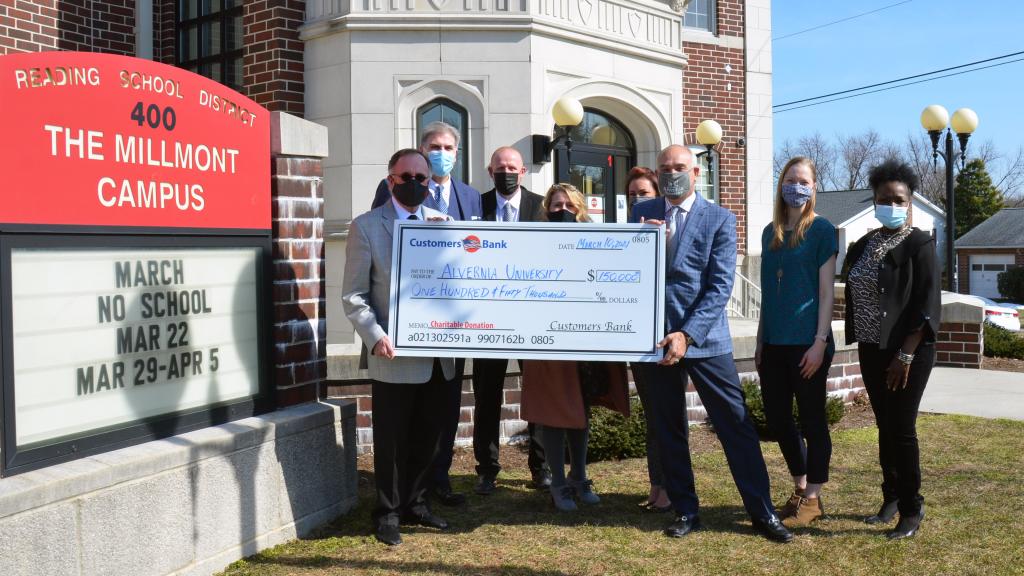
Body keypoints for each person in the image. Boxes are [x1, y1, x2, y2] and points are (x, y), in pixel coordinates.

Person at [629, 144, 793, 543]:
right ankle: (686, 509)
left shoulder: (719, 218)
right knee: (669, 429)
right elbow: (629, 274)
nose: (672, 174)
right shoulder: (641, 214)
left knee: (735, 426)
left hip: (705, 340)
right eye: (665, 168)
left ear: (697, 172)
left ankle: (762, 511)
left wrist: (687, 334)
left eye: (680, 167)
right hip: (656, 340)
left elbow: (720, 286)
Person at [341, 149, 455, 546]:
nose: (414, 183)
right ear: (390, 180)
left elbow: (461, 289)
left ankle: (417, 504)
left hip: (439, 355)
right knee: (392, 439)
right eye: (405, 176)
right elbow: (354, 296)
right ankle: (388, 511)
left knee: (430, 436)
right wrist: (375, 336)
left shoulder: (445, 226)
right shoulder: (367, 227)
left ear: (430, 183)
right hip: (392, 352)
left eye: (422, 178)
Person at [369, 122, 482, 507]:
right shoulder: (377, 214)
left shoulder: (456, 208)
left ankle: (428, 491)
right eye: (434, 146)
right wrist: (376, 333)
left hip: (445, 344)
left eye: (449, 146)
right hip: (397, 345)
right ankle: (391, 507)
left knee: (435, 426)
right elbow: (365, 280)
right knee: (396, 431)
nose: (441, 153)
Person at [842, 158, 940, 540]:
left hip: (908, 352)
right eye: (885, 198)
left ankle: (912, 508)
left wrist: (906, 354)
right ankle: (891, 498)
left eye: (899, 199)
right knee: (884, 426)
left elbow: (927, 303)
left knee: (901, 428)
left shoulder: (921, 244)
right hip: (871, 346)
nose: (892, 205)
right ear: (875, 200)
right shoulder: (865, 244)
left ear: (910, 201)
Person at [520, 184, 631, 511]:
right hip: (548, 341)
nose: (562, 209)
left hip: (585, 342)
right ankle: (558, 483)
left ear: (580, 207)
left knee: (580, 410)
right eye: (556, 204)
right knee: (553, 413)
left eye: (568, 204)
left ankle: (579, 477)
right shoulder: (533, 242)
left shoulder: (596, 240)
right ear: (546, 209)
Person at [755, 156, 837, 528]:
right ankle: (800, 485)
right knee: (777, 417)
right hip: (774, 342)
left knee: (812, 420)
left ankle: (814, 498)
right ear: (781, 184)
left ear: (814, 188)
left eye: (803, 181)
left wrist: (820, 342)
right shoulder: (769, 232)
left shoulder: (822, 231)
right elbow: (768, 294)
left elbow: (825, 293)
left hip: (809, 342)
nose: (796, 186)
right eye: (790, 179)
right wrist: (760, 340)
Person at [472, 146, 551, 495]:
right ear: (490, 172)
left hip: (532, 318)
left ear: (523, 172)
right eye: (500, 167)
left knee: (537, 394)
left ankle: (542, 467)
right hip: (488, 319)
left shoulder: (543, 207)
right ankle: (487, 469)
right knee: (486, 396)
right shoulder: (475, 206)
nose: (507, 173)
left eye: (513, 168)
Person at [625, 166, 672, 512]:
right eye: (631, 195)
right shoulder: (629, 233)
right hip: (638, 339)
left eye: (644, 194)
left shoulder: (669, 231)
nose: (637, 201)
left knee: (667, 417)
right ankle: (656, 485)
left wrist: (662, 240)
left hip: (666, 338)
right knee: (652, 417)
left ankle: (670, 487)